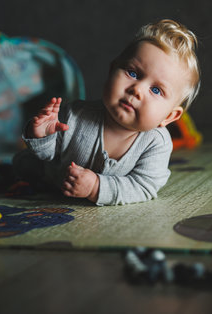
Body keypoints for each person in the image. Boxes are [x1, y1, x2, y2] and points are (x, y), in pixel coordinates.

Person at [13, 19, 200, 206]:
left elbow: (143, 186)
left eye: (156, 90)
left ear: (169, 116)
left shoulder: (156, 143)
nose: (137, 90)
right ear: (112, 71)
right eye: (133, 73)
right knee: (22, 166)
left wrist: (95, 187)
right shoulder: (75, 115)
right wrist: (41, 135)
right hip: (47, 176)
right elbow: (49, 155)